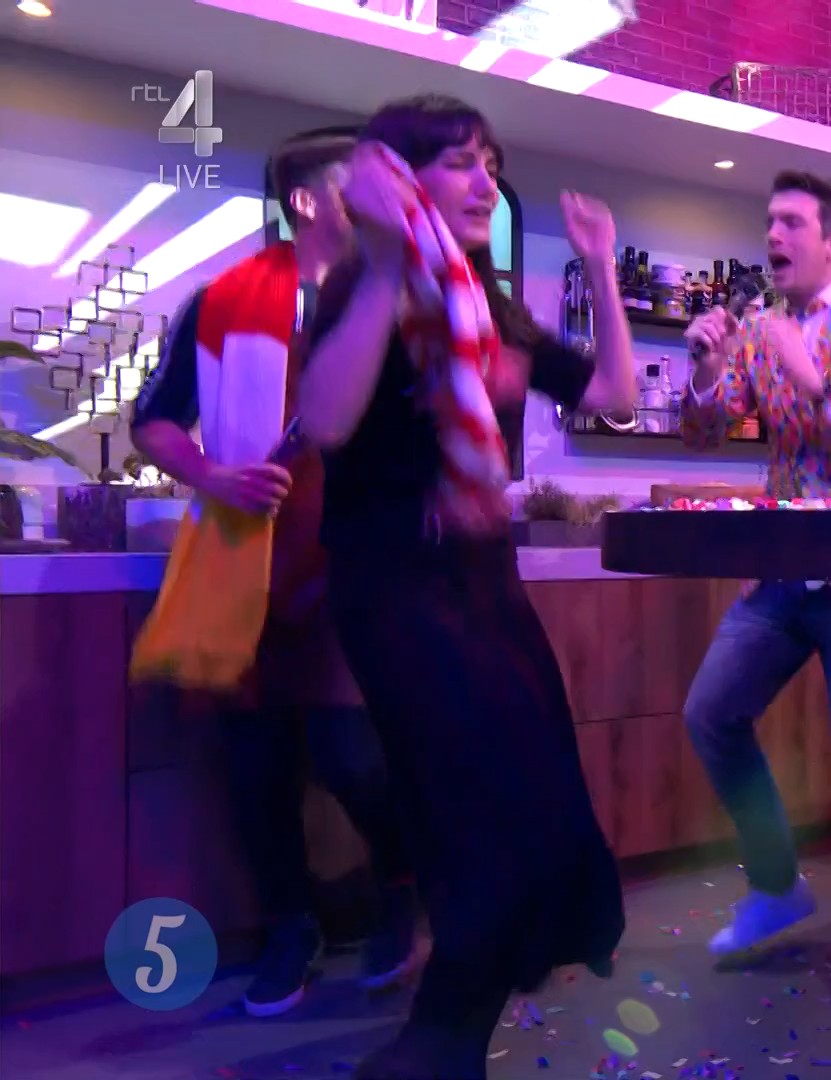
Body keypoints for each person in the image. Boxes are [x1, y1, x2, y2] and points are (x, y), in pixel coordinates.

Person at [299, 95, 634, 1080]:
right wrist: (389, 261)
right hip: (397, 589)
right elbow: (326, 421)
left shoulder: (491, 312)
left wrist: (602, 268)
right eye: (457, 162)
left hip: (484, 585)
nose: (486, 180)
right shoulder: (372, 285)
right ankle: (439, 1041)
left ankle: (447, 1037)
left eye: (491, 162)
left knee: (536, 802)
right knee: (479, 810)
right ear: (401, 181)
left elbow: (613, 394)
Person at [129, 129, 418, 1018]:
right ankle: (292, 927)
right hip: (246, 563)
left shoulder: (395, 299)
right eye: (357, 183)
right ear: (306, 199)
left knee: (351, 754)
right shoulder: (221, 299)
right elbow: (155, 419)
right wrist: (212, 473)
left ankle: (402, 887)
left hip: (356, 565)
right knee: (254, 765)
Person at [679, 171, 831, 977]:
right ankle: (776, 885)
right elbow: (704, 435)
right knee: (711, 713)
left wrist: (817, 381)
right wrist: (708, 369)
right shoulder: (760, 331)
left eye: (791, 222)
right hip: (784, 571)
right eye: (769, 222)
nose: (773, 236)